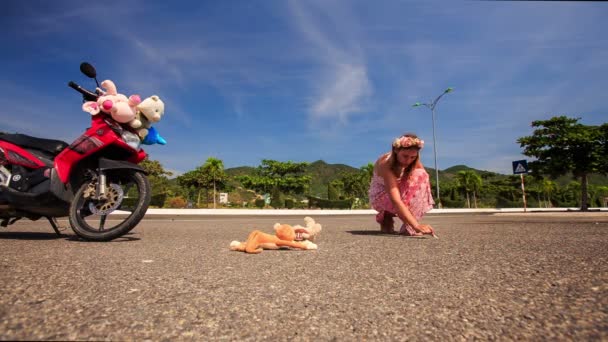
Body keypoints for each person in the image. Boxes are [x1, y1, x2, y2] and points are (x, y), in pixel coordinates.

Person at [368, 133, 436, 236]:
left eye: (412, 157)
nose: (408, 161)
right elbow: (396, 200)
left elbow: (423, 186)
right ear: (395, 150)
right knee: (417, 180)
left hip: (398, 191)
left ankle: (407, 226)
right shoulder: (386, 164)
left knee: (422, 175)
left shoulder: (413, 162)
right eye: (405, 156)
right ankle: (387, 216)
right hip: (381, 197)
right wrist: (416, 226)